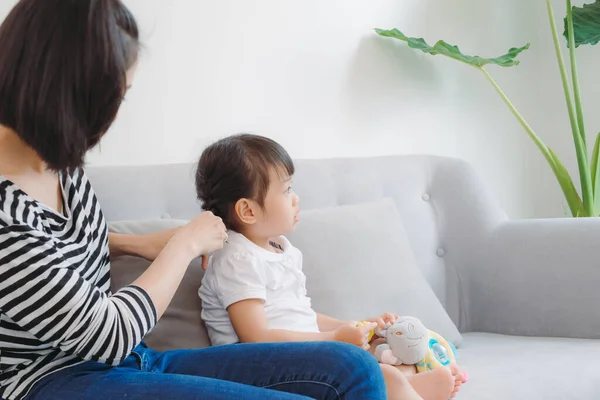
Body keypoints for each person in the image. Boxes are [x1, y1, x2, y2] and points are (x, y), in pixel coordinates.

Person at [0, 1, 388, 399]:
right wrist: (184, 245)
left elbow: (46, 257)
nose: (114, 115)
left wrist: (134, 244)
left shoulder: (57, 162)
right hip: (49, 381)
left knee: (351, 367)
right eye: (117, 96)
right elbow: (108, 334)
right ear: (73, 93)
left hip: (129, 361)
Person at [196, 134, 466, 400]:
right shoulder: (237, 259)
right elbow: (256, 337)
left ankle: (406, 386)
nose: (295, 198)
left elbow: (301, 314)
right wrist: (334, 338)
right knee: (376, 372)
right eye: (286, 189)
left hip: (298, 355)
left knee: (386, 356)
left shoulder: (278, 248)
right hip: (261, 369)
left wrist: (355, 326)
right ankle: (404, 389)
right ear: (248, 211)